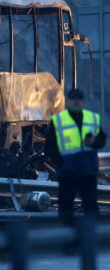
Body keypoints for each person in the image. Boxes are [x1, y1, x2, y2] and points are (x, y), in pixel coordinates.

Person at [45, 89, 105, 223]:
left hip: (87, 172)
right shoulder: (58, 120)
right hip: (68, 173)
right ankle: (68, 238)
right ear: (68, 101)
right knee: (66, 209)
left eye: (79, 99)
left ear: (83, 102)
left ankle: (90, 238)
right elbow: (49, 147)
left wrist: (94, 141)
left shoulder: (93, 118)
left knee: (91, 208)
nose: (76, 102)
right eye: (73, 99)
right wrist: (60, 162)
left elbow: (102, 140)